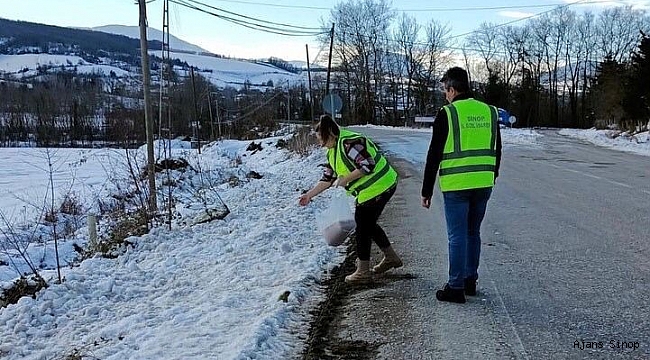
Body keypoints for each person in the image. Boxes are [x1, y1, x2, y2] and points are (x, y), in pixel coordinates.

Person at [421, 67, 502, 304]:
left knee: (456, 235)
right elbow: (497, 148)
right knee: (472, 232)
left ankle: (455, 287)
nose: (445, 95)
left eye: (445, 90)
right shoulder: (489, 112)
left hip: (457, 184)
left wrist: (426, 190)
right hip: (483, 183)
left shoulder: (448, 113)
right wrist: (492, 174)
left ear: (452, 89)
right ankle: (470, 281)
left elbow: (434, 154)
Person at [299, 115, 402, 284]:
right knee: (367, 224)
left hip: (380, 186)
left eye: (321, 139)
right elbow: (327, 178)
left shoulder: (349, 143)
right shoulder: (332, 152)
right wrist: (309, 195)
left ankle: (363, 272)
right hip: (371, 190)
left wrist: (345, 179)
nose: (320, 144)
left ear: (330, 134)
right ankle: (391, 258)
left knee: (363, 225)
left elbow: (367, 165)